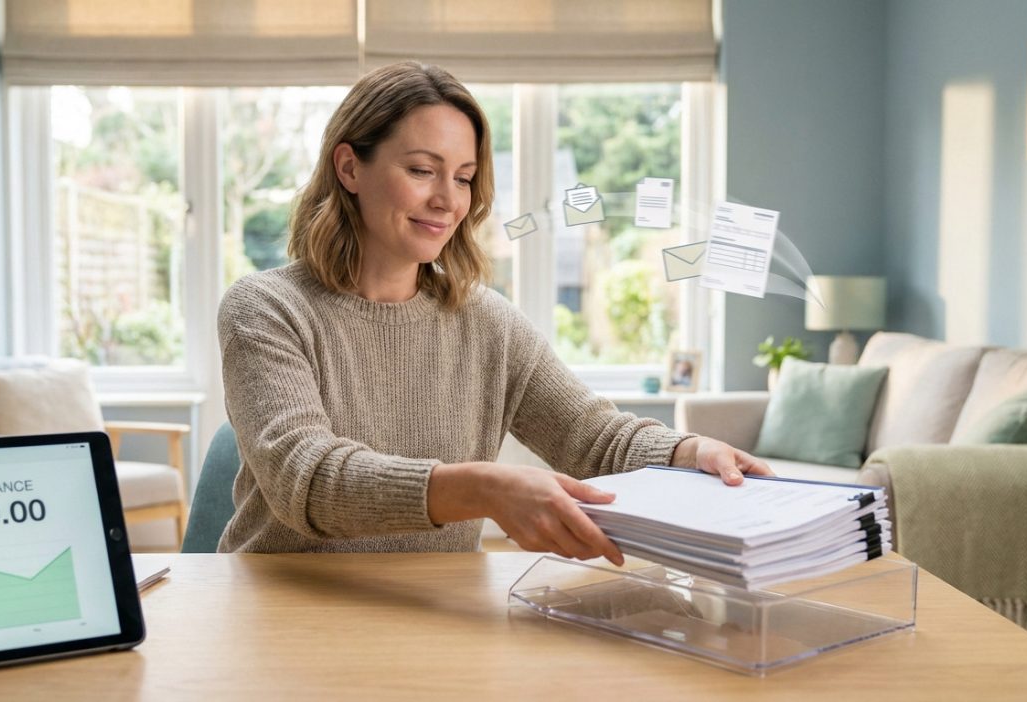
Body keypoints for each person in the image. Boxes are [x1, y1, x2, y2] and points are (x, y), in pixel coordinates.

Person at [217, 61, 772, 564]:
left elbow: (589, 436)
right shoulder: (265, 309)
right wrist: (483, 489)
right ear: (349, 168)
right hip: (283, 604)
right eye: (421, 170)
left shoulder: (486, 321)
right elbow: (306, 481)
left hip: (435, 607)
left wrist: (687, 450)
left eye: (462, 178)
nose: (449, 200)